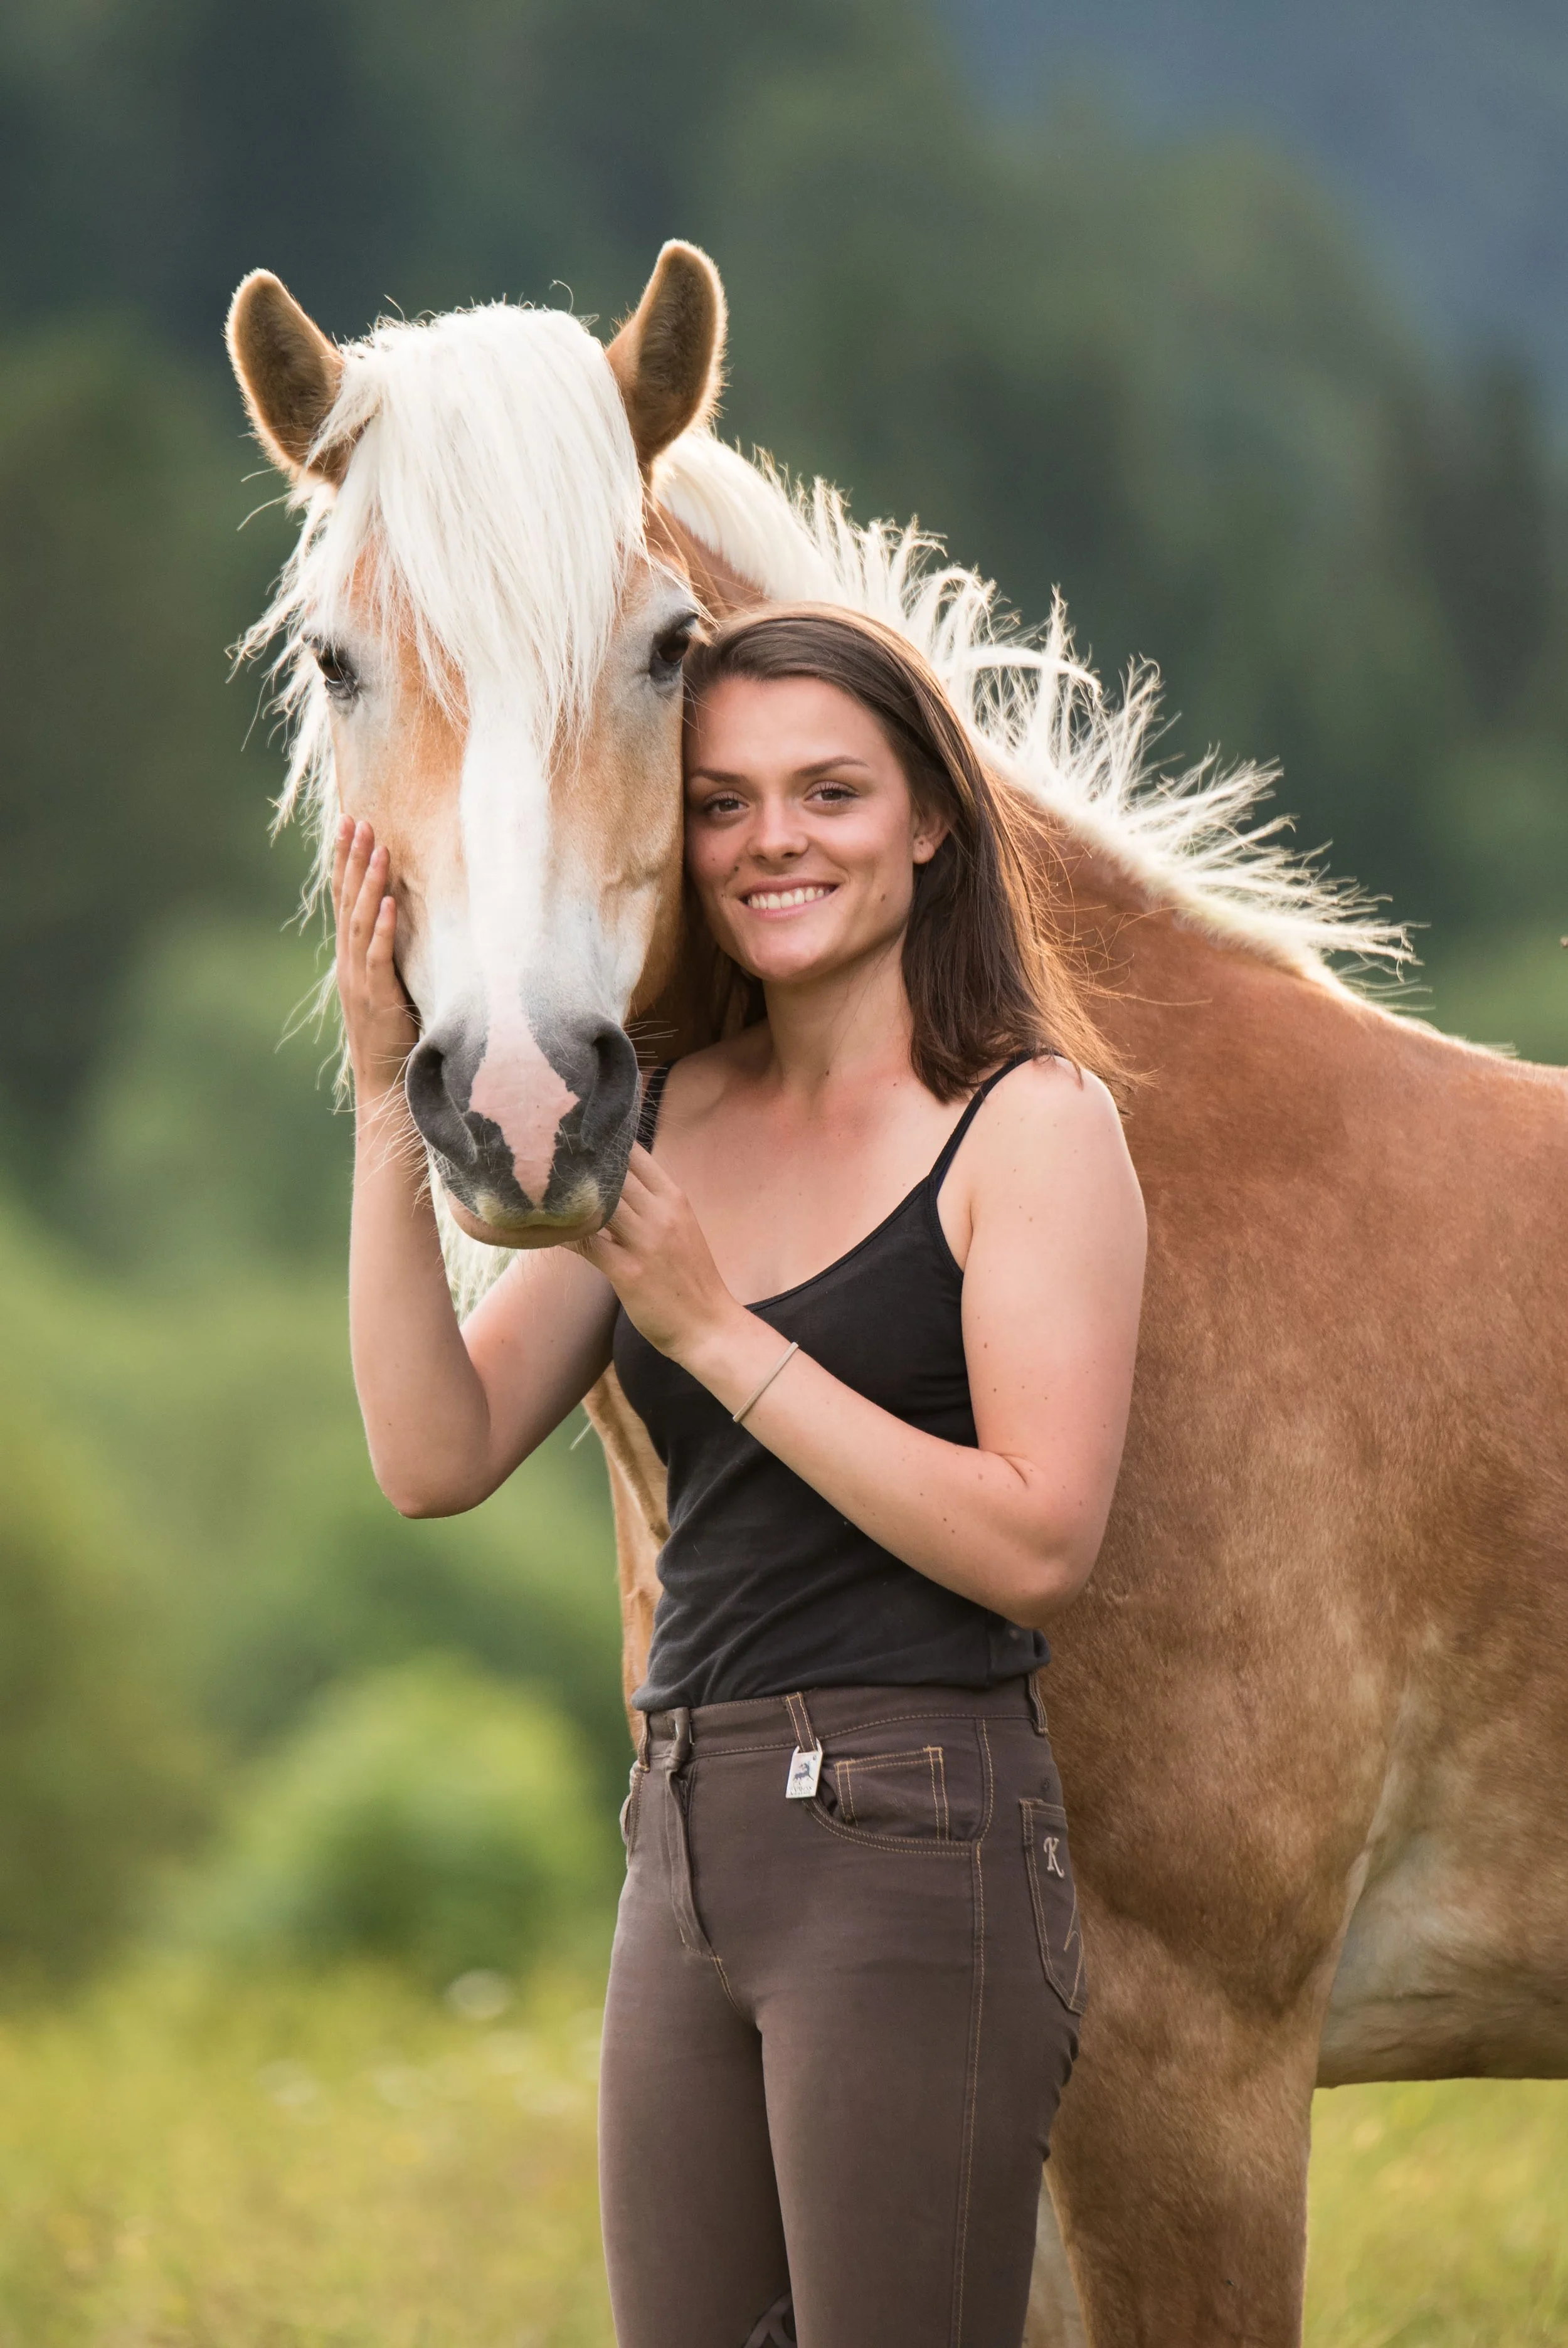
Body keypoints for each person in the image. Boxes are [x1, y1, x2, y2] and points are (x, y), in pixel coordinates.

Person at [334, 605, 1147, 2348]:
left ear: (929, 819)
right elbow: (432, 1451)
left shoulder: (1027, 1126)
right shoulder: (674, 1113)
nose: (770, 838)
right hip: (683, 1830)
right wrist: (378, 1096)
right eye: (722, 803)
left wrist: (709, 1329)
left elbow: (1037, 1538)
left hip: (913, 1825)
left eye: (828, 792)